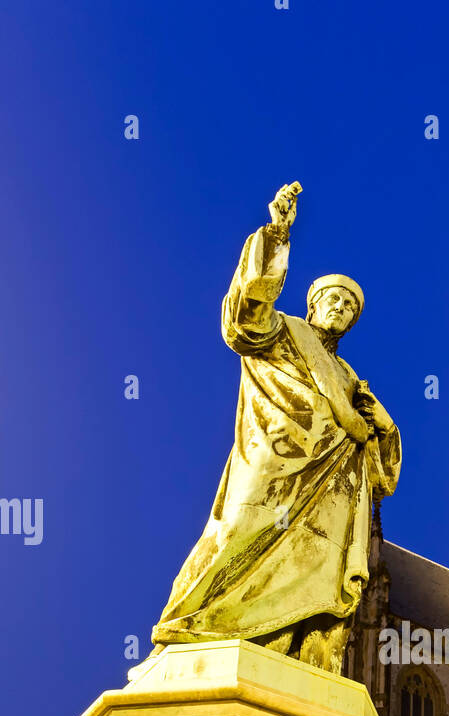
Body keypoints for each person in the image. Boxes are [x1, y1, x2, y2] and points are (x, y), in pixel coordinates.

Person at [152, 184, 401, 673]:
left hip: (329, 493)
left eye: (350, 308)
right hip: (273, 461)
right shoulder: (286, 330)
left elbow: (382, 470)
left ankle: (294, 659)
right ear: (313, 305)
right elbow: (244, 322)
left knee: (319, 578)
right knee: (235, 538)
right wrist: (275, 236)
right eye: (333, 299)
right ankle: (189, 627)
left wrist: (383, 427)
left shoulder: (352, 379)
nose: (341, 309)